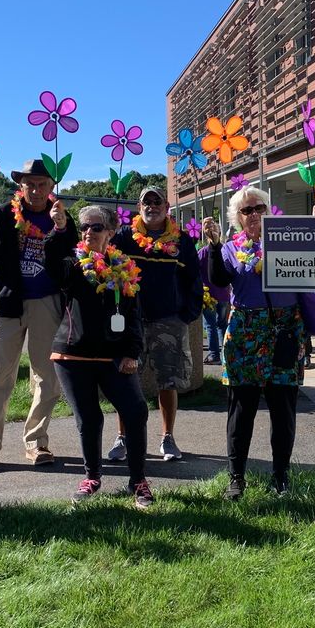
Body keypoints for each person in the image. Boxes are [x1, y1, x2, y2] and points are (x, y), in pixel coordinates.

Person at [206, 187, 315, 499]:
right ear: (237, 217)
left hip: (285, 330)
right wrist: (214, 244)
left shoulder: (290, 241)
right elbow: (219, 280)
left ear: (267, 211)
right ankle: (236, 477)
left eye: (259, 208)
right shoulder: (232, 249)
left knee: (283, 407)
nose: (253, 215)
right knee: (242, 407)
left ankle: (281, 477)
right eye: (246, 210)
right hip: (246, 331)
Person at [0, 159, 75, 476]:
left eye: (42, 184)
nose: (37, 190)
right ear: (21, 187)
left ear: (51, 187)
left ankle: (37, 441)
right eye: (31, 184)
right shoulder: (4, 213)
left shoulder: (60, 213)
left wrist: (63, 227)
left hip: (47, 302)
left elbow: (73, 254)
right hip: (9, 303)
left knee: (47, 377)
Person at [44, 205, 154, 507]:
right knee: (88, 418)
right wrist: (58, 230)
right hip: (73, 356)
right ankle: (92, 476)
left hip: (114, 357)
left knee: (135, 411)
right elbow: (52, 262)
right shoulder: (73, 265)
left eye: (96, 227)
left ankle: (138, 480)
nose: (89, 232)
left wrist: (132, 352)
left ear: (110, 231)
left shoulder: (124, 268)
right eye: (84, 228)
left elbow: (133, 317)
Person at [112, 186, 202, 462]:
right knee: (127, 380)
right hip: (132, 322)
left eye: (157, 201)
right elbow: (108, 265)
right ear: (139, 207)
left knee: (168, 380)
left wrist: (186, 314)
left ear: (167, 206)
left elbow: (194, 281)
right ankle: (123, 438)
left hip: (168, 320)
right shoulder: (125, 238)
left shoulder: (182, 241)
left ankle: (167, 438)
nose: (152, 206)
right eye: (146, 201)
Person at [197, 216, 231, 365]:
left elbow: (195, 271)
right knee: (222, 324)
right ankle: (226, 354)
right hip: (224, 294)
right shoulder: (225, 249)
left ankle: (213, 354)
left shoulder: (203, 252)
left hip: (208, 296)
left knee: (210, 325)